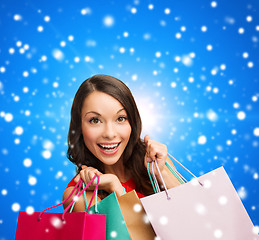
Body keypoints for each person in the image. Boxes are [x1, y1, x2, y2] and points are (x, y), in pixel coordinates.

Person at [63, 74, 181, 212]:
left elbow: (194, 216)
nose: (110, 133)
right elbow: (140, 233)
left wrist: (163, 174)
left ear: (132, 121)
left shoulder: (157, 163)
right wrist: (115, 187)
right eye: (95, 120)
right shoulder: (79, 197)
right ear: (79, 127)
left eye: (120, 118)